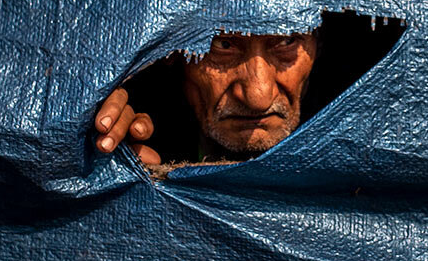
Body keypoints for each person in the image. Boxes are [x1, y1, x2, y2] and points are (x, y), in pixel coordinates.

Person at [94, 31, 318, 165]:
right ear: (171, 53)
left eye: (287, 42)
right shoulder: (147, 134)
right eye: (223, 45)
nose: (257, 97)